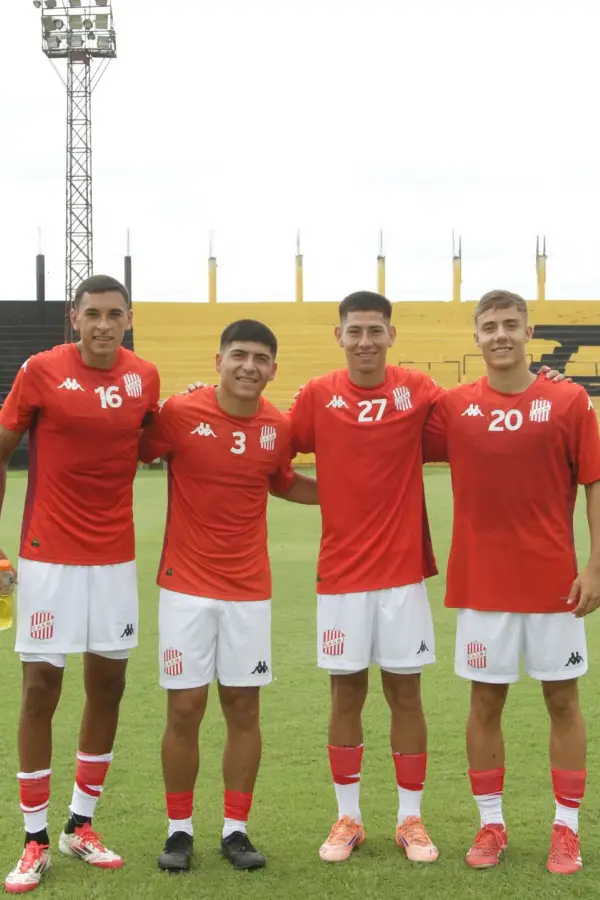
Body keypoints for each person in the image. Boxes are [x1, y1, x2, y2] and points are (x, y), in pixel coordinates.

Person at [422, 289, 600, 875]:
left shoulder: (570, 400)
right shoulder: (451, 406)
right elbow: (384, 413)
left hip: (555, 585)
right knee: (484, 701)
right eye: (490, 326)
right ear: (476, 337)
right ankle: (491, 824)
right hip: (482, 587)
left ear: (528, 332)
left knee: (562, 699)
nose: (500, 334)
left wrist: (596, 564)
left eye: (511, 324)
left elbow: (595, 481)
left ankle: (566, 829)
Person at [138, 319, 318, 874]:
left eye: (260, 358)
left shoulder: (278, 426)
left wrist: (362, 493)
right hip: (185, 589)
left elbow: (284, 481)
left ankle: (236, 830)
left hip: (248, 592)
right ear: (218, 360)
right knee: (185, 707)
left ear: (273, 369)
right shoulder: (181, 414)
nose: (248, 366)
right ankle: (179, 831)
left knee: (244, 706)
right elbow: (135, 449)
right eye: (238, 355)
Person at [0, 275, 160, 893]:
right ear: (73, 318)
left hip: (114, 559)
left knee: (109, 685)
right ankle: (35, 838)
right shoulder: (39, 370)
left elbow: (150, 441)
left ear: (127, 319)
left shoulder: (143, 376)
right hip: (48, 558)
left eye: (113, 315)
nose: (101, 325)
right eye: (90, 314)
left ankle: (80, 825)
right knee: (41, 686)